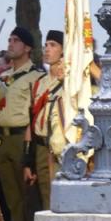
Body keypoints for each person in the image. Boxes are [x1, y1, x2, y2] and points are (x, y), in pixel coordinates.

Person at [0, 27, 43, 221]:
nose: (10, 44)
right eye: (9, 40)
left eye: (16, 41)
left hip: (22, 136)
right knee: (9, 193)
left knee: (27, 193)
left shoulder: (36, 76)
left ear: (27, 47)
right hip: (2, 137)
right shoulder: (3, 77)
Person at [24, 30, 66, 209]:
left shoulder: (70, 81)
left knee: (63, 197)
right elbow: (31, 121)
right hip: (41, 147)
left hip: (63, 147)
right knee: (46, 198)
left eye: (53, 45)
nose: (47, 49)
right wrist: (27, 159)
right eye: (46, 45)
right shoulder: (40, 83)